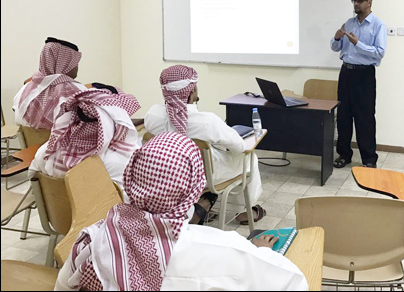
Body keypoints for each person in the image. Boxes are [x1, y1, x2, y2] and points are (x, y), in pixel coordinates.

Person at [54, 132, 308, 291]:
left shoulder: (92, 241)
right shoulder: (226, 249)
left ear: (131, 178)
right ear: (194, 188)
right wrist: (262, 253)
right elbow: (295, 283)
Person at [144, 65, 266, 224]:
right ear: (192, 90)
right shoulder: (207, 121)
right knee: (250, 158)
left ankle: (199, 205)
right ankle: (246, 211)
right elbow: (240, 147)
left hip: (165, 175)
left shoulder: (152, 114)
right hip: (202, 178)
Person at [28, 87, 142, 194]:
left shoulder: (46, 152)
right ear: (110, 125)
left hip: (55, 209)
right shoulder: (123, 162)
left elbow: (34, 182)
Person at [330, 0, 387, 168]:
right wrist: (336, 38)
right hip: (346, 73)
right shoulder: (349, 23)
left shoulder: (378, 25)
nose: (356, 3)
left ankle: (369, 159)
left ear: (369, 2)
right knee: (343, 117)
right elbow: (335, 48)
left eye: (360, 0)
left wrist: (357, 43)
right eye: (354, 0)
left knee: (365, 118)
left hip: (364, 75)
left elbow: (379, 52)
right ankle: (344, 155)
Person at [13, 37, 87, 130]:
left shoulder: (24, 90)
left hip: (30, 139)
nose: (76, 68)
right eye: (75, 64)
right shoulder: (76, 93)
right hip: (63, 139)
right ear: (65, 64)